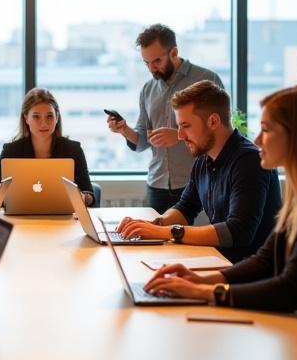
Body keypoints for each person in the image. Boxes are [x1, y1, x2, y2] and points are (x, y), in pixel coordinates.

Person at [143, 85, 297, 348]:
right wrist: (200, 280)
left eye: (267, 129)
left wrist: (203, 292)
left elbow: (290, 290)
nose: (258, 140)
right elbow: (265, 262)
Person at [117, 81, 282, 262]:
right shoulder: (204, 160)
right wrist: (155, 225)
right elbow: (186, 208)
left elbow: (238, 232)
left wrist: (165, 232)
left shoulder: (250, 161)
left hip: (250, 274)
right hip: (221, 262)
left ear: (213, 121)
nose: (180, 135)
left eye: (185, 125)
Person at [107, 23, 223, 213]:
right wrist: (124, 130)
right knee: (158, 242)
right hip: (157, 186)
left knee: (199, 242)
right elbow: (144, 141)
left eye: (157, 61)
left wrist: (179, 135)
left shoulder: (207, 80)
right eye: (146, 63)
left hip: (198, 184)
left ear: (174, 52)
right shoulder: (147, 89)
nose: (152, 69)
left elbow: (219, 132)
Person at [0, 88, 98, 207]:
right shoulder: (11, 150)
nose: (44, 123)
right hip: (21, 220)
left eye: (49, 116)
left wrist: (84, 197)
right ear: (26, 118)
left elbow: (90, 194)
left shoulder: (73, 149)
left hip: (63, 220)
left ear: (57, 118)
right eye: (36, 117)